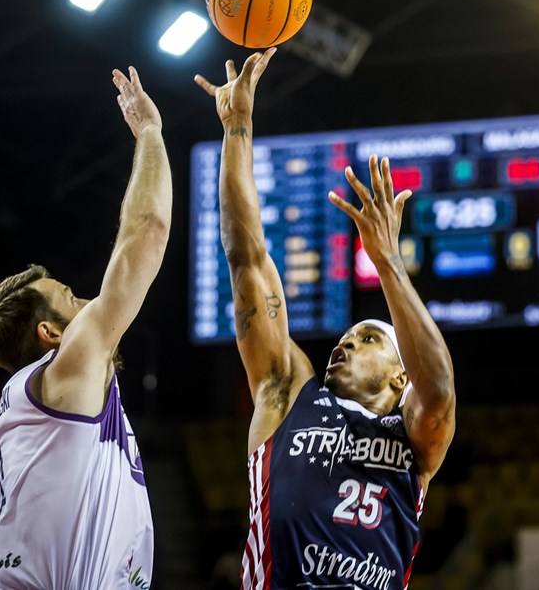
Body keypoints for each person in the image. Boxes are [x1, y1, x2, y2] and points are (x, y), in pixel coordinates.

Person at [195, 49, 456, 589]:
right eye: (345, 338)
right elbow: (247, 259)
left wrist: (386, 262)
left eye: (365, 339)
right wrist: (237, 127)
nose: (343, 345)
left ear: (398, 376)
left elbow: (440, 390)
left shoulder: (414, 436)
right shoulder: (287, 392)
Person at [0, 66, 170, 588]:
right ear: (52, 335)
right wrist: (149, 133)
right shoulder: (67, 370)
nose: (89, 302)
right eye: (70, 299)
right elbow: (147, 231)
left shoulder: (42, 411)